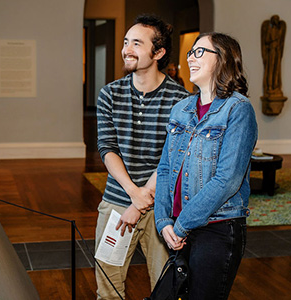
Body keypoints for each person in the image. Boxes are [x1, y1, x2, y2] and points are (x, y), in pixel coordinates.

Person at [154, 32, 258, 300]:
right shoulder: (181, 109)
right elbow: (165, 168)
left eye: (199, 52)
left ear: (222, 59)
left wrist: (180, 226)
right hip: (178, 227)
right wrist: (163, 220)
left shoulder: (238, 109)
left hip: (217, 228)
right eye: (190, 53)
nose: (191, 58)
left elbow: (228, 180)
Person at [95, 14, 190, 299]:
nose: (127, 49)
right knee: (108, 290)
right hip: (116, 201)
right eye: (126, 42)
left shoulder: (180, 100)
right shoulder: (110, 94)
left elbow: (172, 158)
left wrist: (141, 202)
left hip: (161, 208)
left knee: (167, 291)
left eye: (137, 43)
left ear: (158, 52)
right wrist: (132, 193)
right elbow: (107, 148)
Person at [261, 15, 286, 98]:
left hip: (277, 51)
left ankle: (275, 86)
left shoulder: (279, 30)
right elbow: (267, 40)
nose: (276, 21)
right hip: (271, 51)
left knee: (276, 70)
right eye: (275, 20)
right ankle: (269, 87)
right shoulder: (270, 30)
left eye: (277, 20)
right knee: (270, 69)